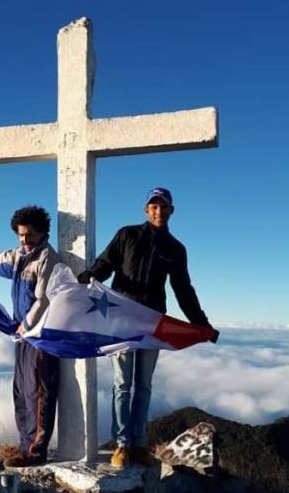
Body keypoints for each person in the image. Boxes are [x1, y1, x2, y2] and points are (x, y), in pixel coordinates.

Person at [78, 187, 219, 469]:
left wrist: (200, 323)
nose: (158, 211)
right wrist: (91, 275)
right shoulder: (127, 235)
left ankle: (139, 445)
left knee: (143, 386)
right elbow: (106, 263)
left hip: (152, 321)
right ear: (146, 210)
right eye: (153, 206)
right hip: (121, 319)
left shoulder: (176, 249)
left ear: (171, 211)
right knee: (122, 386)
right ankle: (121, 446)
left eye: (163, 206)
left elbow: (183, 290)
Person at [0, 205, 62, 467]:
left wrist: (26, 325)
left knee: (39, 394)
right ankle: (23, 445)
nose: (24, 240)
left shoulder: (48, 260)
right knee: (22, 391)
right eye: (20, 235)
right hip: (22, 335)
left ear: (42, 233)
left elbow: (44, 299)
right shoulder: (20, 256)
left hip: (41, 335)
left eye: (29, 235)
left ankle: (35, 452)